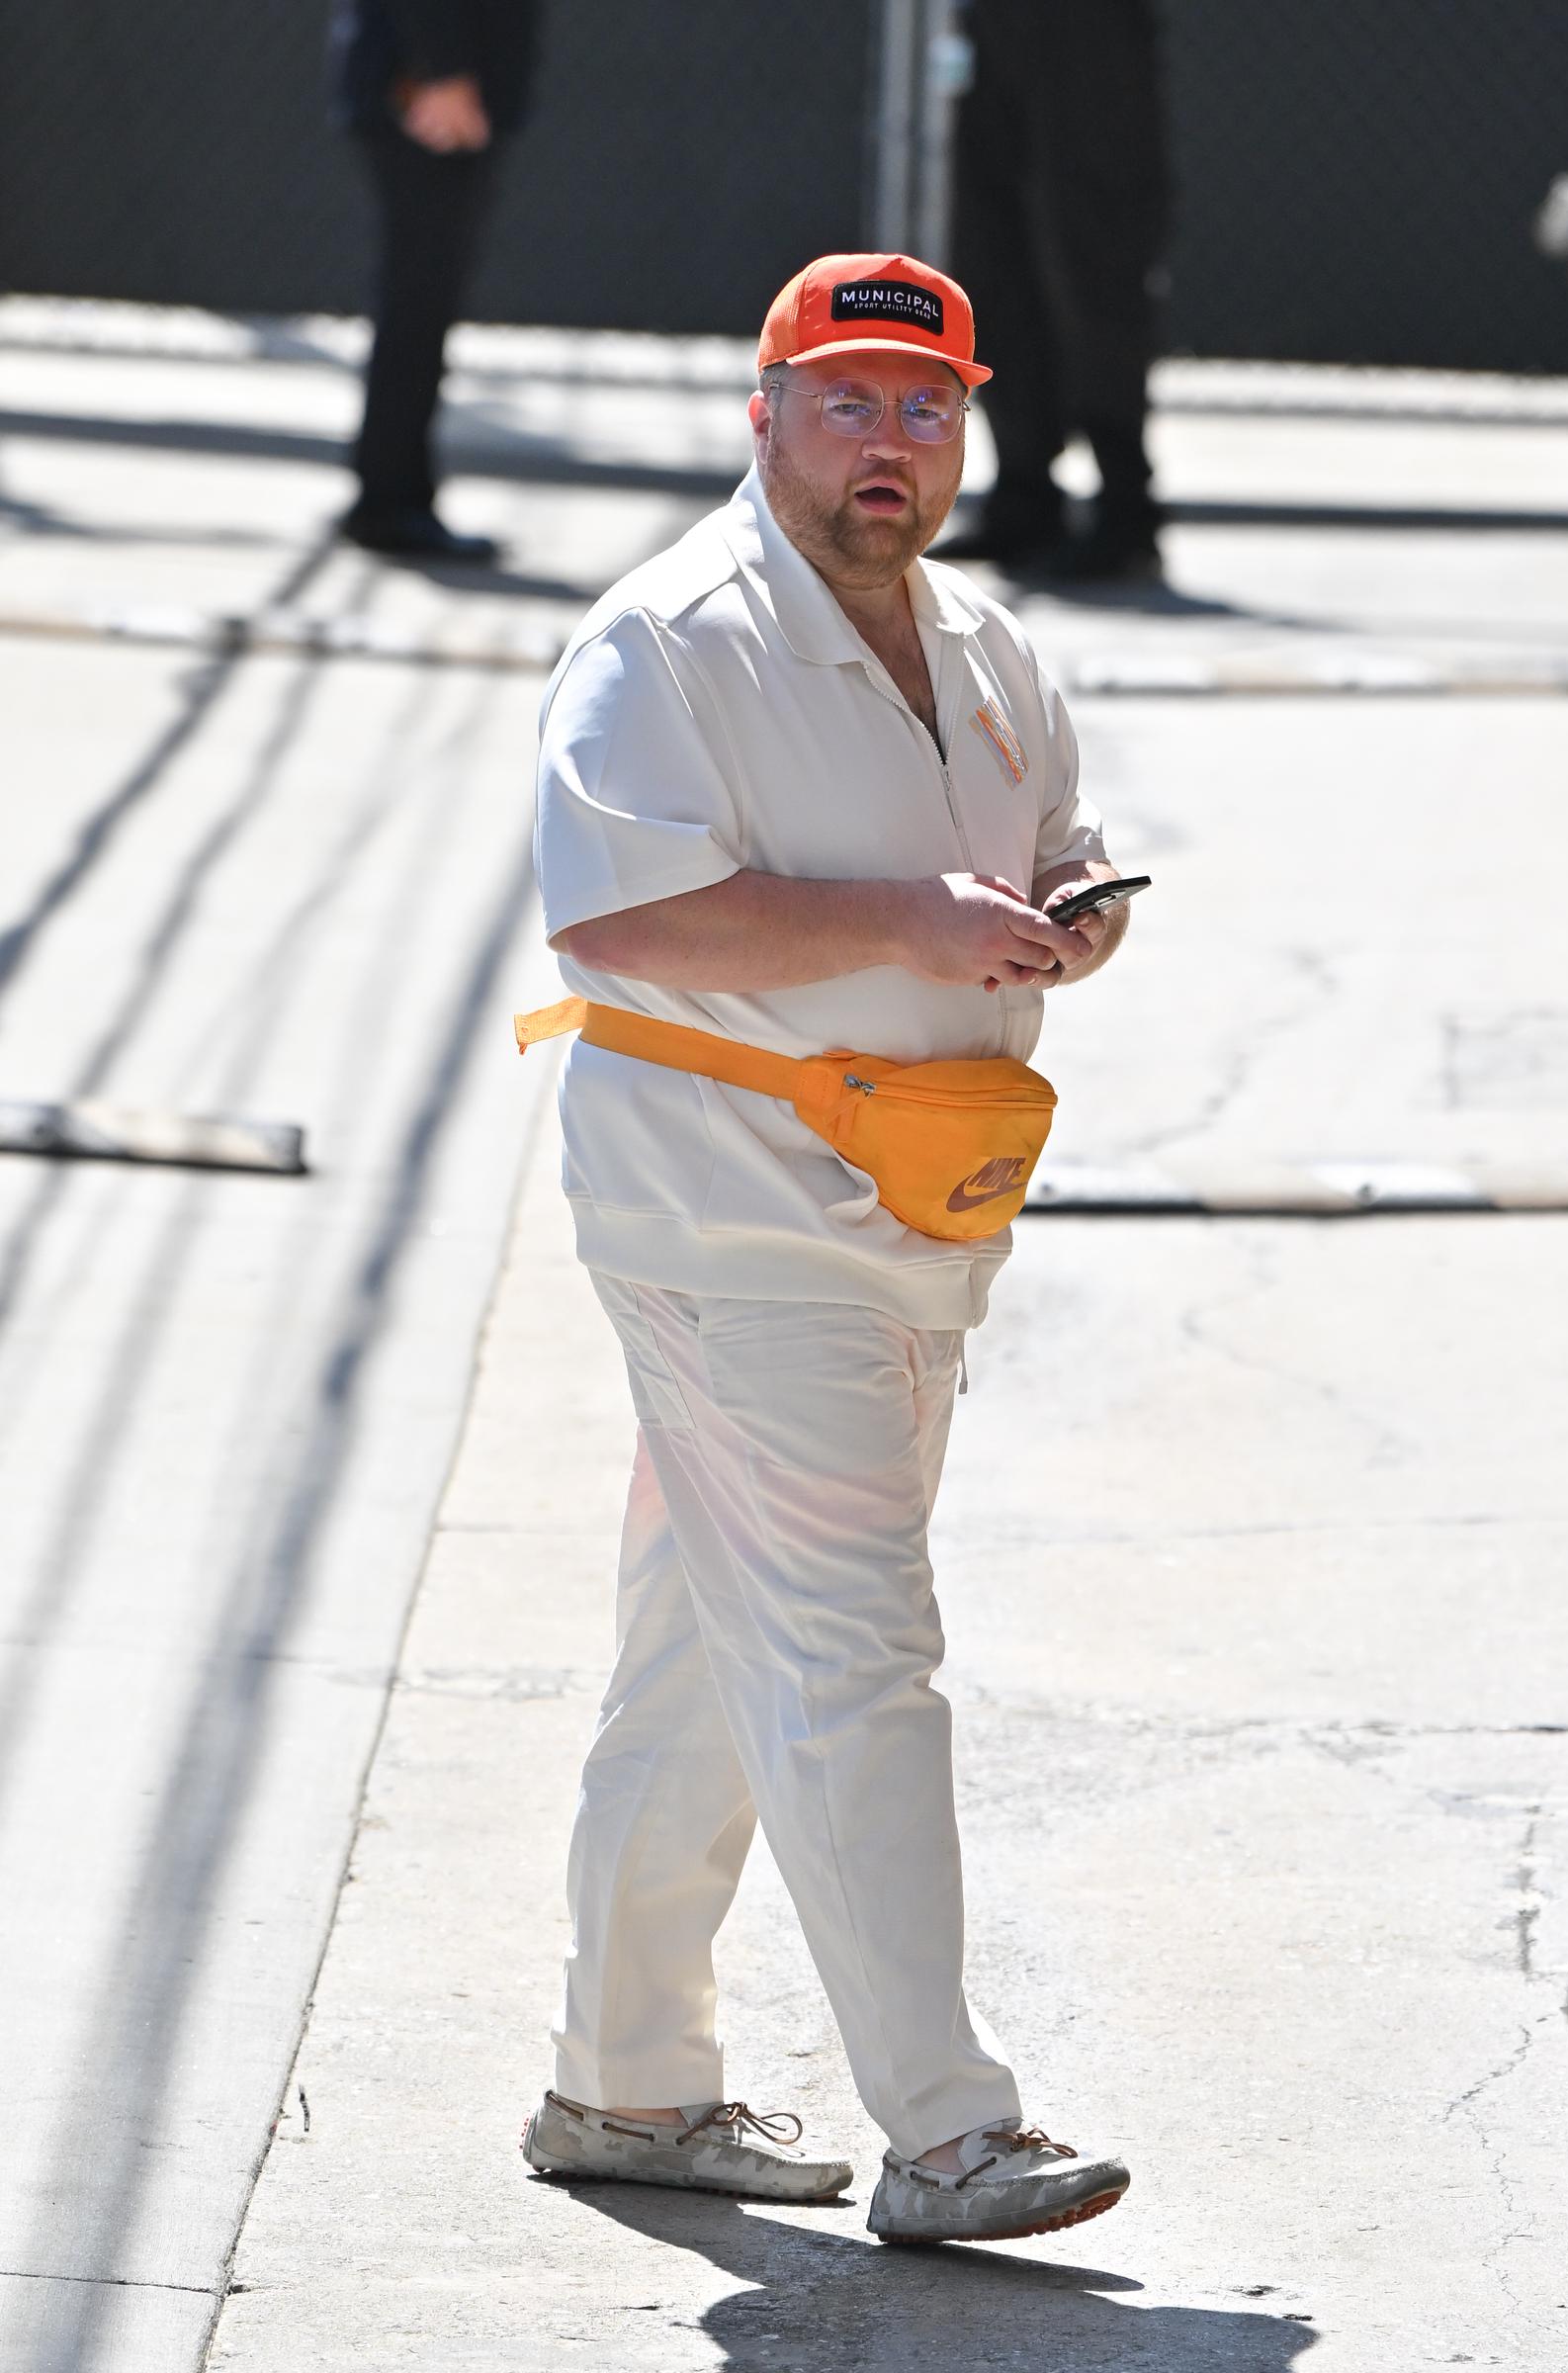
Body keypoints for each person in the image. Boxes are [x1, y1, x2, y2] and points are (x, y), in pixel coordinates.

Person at [519, 252, 1136, 2244]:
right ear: (761, 410)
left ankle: (624, 2083)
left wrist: (1062, 904)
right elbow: (615, 923)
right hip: (730, 1210)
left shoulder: (979, 640)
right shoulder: (667, 638)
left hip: (911, 1216)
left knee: (709, 1646)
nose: (892, 442)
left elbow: (1036, 845)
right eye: (850, 399)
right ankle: (948, 2132)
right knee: (857, 1653)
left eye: (925, 405)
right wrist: (909, 918)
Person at [938, 0, 1171, 582]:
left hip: (1086, 27)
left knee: (1092, 252)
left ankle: (1125, 508)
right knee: (991, 256)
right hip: (993, 23)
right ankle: (1025, 495)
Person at [327, 0, 541, 561]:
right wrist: (440, 70)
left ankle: (393, 498)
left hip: (430, 82)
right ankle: (389, 504)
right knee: (416, 303)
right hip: (426, 91)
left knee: (419, 303)